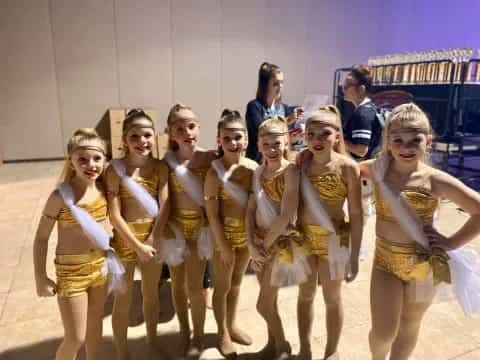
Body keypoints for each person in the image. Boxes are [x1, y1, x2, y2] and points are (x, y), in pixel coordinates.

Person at [361, 103, 480, 360]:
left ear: (428, 140)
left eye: (415, 140)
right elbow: (341, 167)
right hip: (385, 263)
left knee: (410, 325)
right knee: (383, 333)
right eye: (398, 140)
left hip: (424, 267)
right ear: (388, 142)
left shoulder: (435, 180)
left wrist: (450, 242)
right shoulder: (377, 168)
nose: (406, 147)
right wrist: (304, 156)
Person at [33, 128, 123, 360]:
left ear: (105, 160)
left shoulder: (104, 191)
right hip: (71, 273)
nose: (90, 164)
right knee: (75, 337)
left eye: (97, 158)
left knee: (94, 328)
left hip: (100, 267)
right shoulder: (60, 197)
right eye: (82, 159)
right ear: (71, 161)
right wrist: (40, 276)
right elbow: (41, 238)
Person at [297, 105, 363, 360]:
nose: (316, 140)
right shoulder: (301, 163)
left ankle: (331, 350)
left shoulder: (348, 167)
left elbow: (357, 215)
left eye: (324, 133)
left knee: (332, 298)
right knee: (305, 295)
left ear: (337, 135)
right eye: (310, 134)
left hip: (335, 242)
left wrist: (355, 255)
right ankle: (304, 346)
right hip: (304, 240)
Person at [106, 109, 169, 359]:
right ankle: (123, 352)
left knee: (151, 294)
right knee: (123, 300)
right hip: (125, 242)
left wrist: (152, 239)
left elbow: (165, 205)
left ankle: (152, 343)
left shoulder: (160, 167)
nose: (142, 141)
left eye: (147, 135)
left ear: (154, 137)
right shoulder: (114, 170)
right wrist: (136, 245)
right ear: (124, 140)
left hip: (154, 239)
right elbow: (114, 214)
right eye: (135, 136)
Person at [247, 116, 310, 360]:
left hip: (280, 244)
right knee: (269, 303)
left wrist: (261, 247)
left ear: (286, 143)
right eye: (266, 144)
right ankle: (272, 346)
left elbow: (285, 216)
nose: (272, 150)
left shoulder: (291, 171)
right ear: (259, 145)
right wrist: (251, 244)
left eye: (277, 144)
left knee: (262, 304)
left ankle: (283, 347)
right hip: (261, 242)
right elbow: (251, 207)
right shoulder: (258, 171)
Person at [161, 103, 217, 357]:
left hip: (200, 231)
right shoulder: (166, 163)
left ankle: (198, 335)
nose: (187, 132)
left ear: (199, 128)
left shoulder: (210, 157)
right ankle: (184, 330)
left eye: (191, 126)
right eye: (180, 128)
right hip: (175, 232)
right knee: (176, 286)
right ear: (171, 134)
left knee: (195, 288)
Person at [204, 109, 258, 357]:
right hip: (222, 237)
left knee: (237, 283)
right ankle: (221, 332)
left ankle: (232, 323)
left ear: (246, 139)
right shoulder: (214, 172)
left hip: (246, 236)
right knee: (223, 285)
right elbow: (212, 214)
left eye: (238, 137)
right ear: (219, 140)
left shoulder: (253, 168)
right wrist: (223, 245)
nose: (233, 143)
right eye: (227, 139)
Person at [246, 62, 302, 162]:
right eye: (275, 84)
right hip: (259, 162)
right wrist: (287, 120)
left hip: (280, 162)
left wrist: (292, 138)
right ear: (265, 85)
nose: (280, 87)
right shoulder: (254, 107)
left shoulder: (284, 108)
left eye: (282, 82)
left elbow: (284, 139)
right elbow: (263, 132)